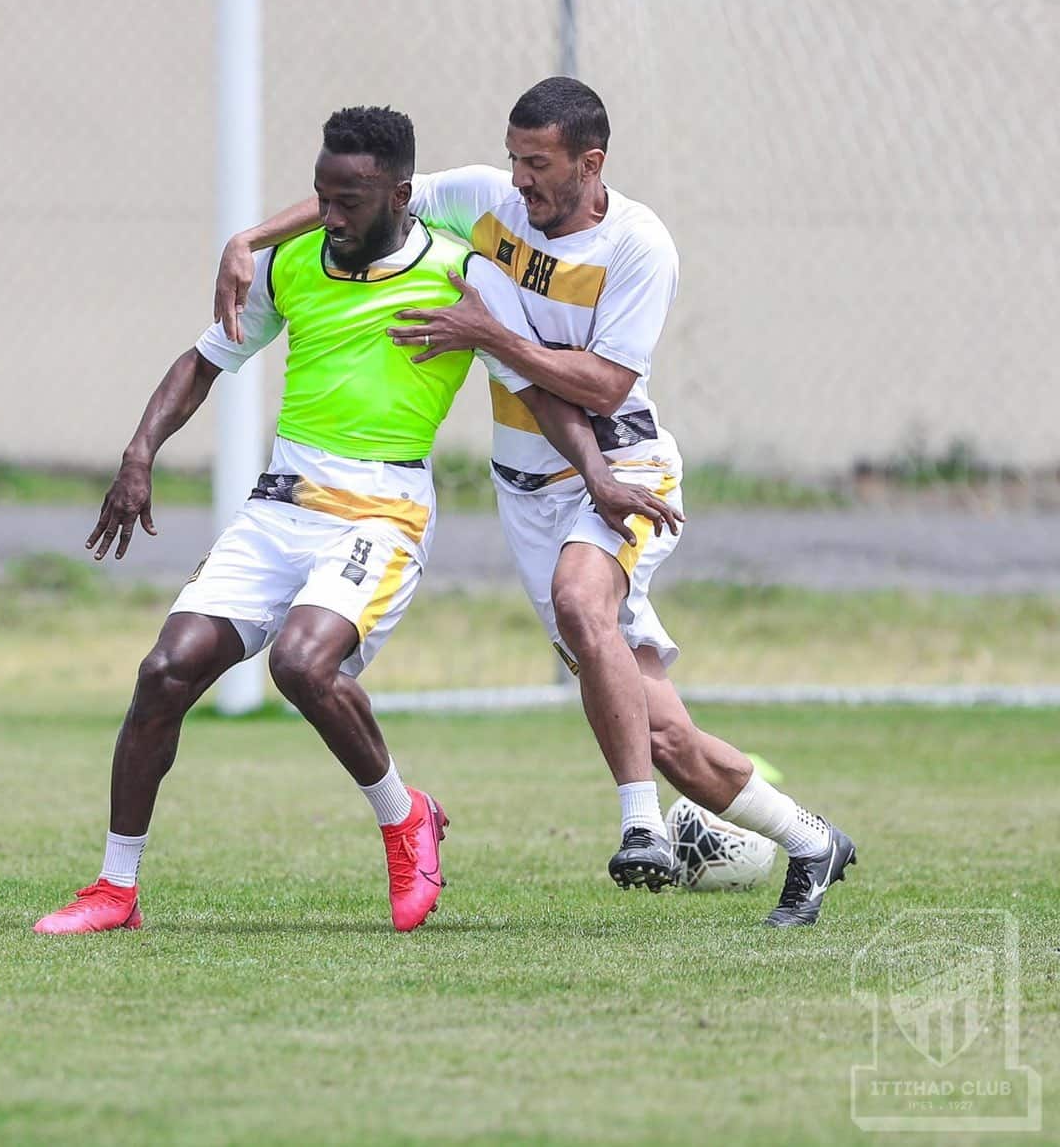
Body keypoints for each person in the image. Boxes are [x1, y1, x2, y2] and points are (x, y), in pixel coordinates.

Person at [213, 78, 856, 926]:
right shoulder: (486, 198)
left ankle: (640, 829)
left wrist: (492, 334)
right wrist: (249, 238)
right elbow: (359, 199)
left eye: (539, 164)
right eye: (515, 159)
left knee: (579, 599)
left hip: (621, 471)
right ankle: (814, 842)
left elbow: (603, 381)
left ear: (591, 164)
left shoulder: (638, 247)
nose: (520, 180)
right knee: (667, 737)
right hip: (527, 494)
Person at [33, 105, 672, 936]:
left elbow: (537, 388)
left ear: (402, 196)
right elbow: (205, 360)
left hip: (383, 511)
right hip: (281, 504)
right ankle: (115, 891)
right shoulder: (293, 262)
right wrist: (139, 453)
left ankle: (404, 820)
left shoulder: (459, 272)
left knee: (302, 664)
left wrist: (600, 477)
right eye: (321, 196)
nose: (331, 216)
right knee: (164, 674)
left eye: (350, 202)